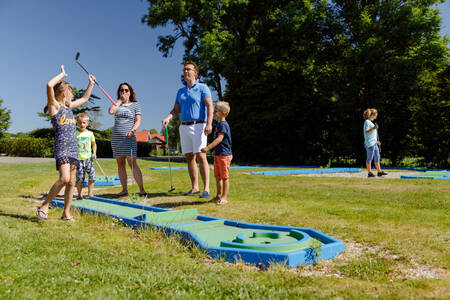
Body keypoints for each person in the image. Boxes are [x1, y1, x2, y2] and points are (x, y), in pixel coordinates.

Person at [36, 65, 96, 221]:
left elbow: (85, 99)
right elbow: (49, 85)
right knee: (64, 178)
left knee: (71, 183)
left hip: (73, 149)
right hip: (62, 148)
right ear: (64, 94)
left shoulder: (69, 107)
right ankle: (44, 206)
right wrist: (62, 74)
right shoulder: (54, 107)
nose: (73, 95)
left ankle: (66, 213)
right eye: (71, 92)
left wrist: (90, 84)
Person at [162, 61, 214, 198]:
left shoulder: (203, 88)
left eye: (188, 69)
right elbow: (175, 110)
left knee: (201, 155)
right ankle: (195, 187)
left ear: (195, 73)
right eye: (184, 69)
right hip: (183, 126)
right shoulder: (181, 91)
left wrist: (209, 124)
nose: (185, 71)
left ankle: (206, 189)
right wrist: (168, 117)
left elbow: (210, 106)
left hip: (199, 125)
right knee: (189, 157)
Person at [109, 82, 146, 197]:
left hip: (129, 137)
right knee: (120, 164)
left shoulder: (135, 105)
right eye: (121, 90)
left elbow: (138, 120)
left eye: (126, 90)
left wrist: (133, 130)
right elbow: (111, 111)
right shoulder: (116, 104)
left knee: (132, 163)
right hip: (116, 137)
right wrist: (119, 101)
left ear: (130, 92)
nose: (124, 92)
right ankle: (124, 189)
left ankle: (141, 190)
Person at [201, 101, 232, 205]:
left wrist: (208, 147)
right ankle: (218, 195)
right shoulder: (219, 124)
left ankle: (224, 197)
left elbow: (220, 139)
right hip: (218, 155)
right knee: (218, 177)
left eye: (216, 111)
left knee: (224, 177)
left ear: (223, 113)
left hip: (224, 155)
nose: (213, 113)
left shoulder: (223, 125)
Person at [75, 113, 97, 199]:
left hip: (88, 159)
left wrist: (94, 153)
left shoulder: (90, 134)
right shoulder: (75, 133)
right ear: (77, 123)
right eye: (80, 123)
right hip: (78, 159)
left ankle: (90, 193)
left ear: (87, 123)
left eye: (84, 123)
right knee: (80, 178)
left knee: (92, 176)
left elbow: (94, 144)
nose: (82, 124)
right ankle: (79, 194)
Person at [363, 108, 388, 178]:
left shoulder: (371, 122)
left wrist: (377, 141)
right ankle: (369, 172)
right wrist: (373, 128)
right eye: (375, 115)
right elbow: (366, 132)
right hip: (369, 144)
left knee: (377, 156)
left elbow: (372, 135)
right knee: (370, 157)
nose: (376, 117)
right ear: (371, 115)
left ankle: (379, 172)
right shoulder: (367, 122)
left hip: (374, 143)